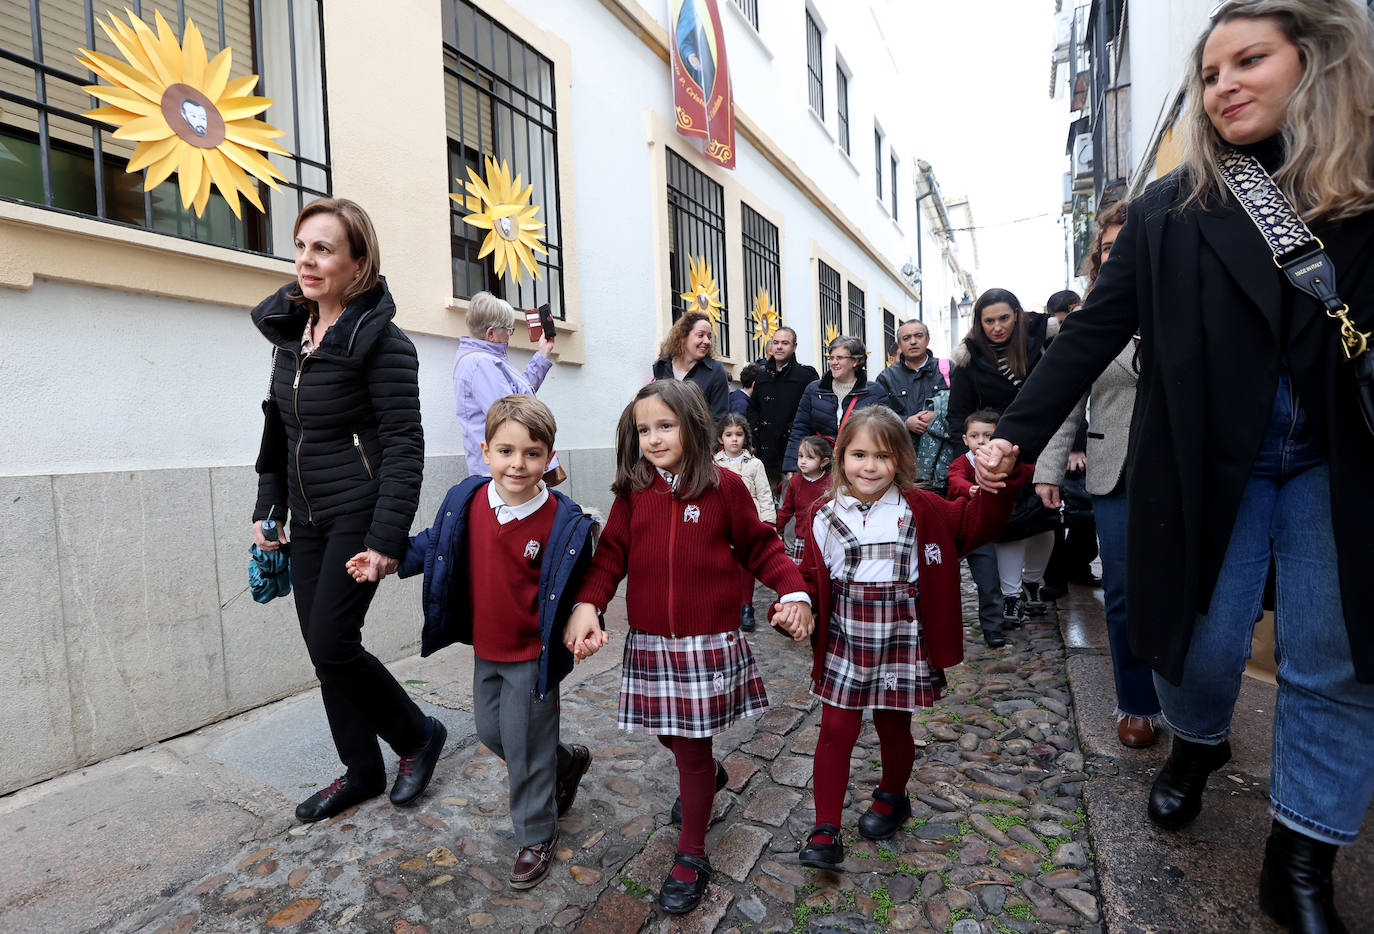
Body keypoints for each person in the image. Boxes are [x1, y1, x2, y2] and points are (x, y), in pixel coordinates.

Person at [978, 3, 1374, 929]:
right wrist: (1017, 432)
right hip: (1208, 466)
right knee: (1199, 641)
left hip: (1337, 460)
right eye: (1209, 71)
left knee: (1335, 658)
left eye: (1250, 60)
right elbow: (1086, 340)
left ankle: (1301, 858)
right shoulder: (1171, 208)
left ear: (1311, 61)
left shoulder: (1359, 192)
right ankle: (1196, 742)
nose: (1223, 84)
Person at [566, 380, 814, 915]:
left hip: (706, 641)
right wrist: (590, 604)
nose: (653, 438)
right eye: (643, 429)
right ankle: (707, 777)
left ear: (693, 425)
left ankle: (692, 853)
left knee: (692, 749)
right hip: (652, 641)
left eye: (665, 425)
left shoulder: (723, 487)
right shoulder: (633, 493)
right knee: (667, 733)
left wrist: (794, 591)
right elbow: (609, 556)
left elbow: (762, 546)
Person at [251, 198, 444, 823]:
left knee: (334, 640)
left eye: (324, 249)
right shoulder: (291, 332)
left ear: (357, 262)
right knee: (324, 646)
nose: (307, 260)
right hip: (305, 515)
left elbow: (405, 447)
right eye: (302, 245)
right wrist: (268, 505)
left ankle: (416, 736)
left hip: (358, 513)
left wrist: (388, 539)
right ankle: (361, 769)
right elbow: (279, 427)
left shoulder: (384, 344)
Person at [367, 395, 598, 888]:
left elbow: (582, 583)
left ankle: (535, 834)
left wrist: (586, 615)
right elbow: (435, 543)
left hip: (534, 654)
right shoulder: (468, 501)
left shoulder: (564, 520)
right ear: (486, 450)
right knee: (495, 734)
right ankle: (564, 761)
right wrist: (389, 560)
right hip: (486, 646)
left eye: (532, 453)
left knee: (525, 744)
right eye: (507, 451)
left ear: (549, 457)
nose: (518, 463)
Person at [795, 407, 1027, 871]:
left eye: (882, 456)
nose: (869, 466)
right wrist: (794, 607)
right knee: (835, 731)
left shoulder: (923, 510)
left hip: (901, 637)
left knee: (892, 726)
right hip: (846, 636)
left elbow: (981, 521)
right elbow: (805, 579)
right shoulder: (821, 515)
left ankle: (893, 795)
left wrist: (1001, 483)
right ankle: (825, 827)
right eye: (858, 454)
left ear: (900, 460)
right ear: (840, 458)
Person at [1034, 199, 1160, 748]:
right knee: (1125, 589)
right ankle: (1136, 702)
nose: (1117, 255)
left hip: (1179, 467)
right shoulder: (1085, 324)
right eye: (1108, 248)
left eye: (1127, 244)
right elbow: (1066, 400)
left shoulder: (1182, 304)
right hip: (1115, 472)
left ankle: (1192, 699)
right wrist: (1049, 467)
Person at [948, 289, 1058, 626]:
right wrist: (968, 460)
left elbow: (1065, 394)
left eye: (1004, 318)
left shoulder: (1043, 340)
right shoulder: (970, 358)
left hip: (1044, 444)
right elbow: (958, 414)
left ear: (1017, 314)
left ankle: (1033, 583)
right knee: (1008, 528)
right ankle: (1011, 596)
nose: (997, 327)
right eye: (989, 320)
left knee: (1043, 521)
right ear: (979, 323)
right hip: (997, 454)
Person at [453, 291, 557, 478]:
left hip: (505, 467)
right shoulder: (481, 363)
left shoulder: (486, 359)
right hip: (502, 473)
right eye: (508, 330)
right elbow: (510, 414)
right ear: (491, 333)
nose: (510, 335)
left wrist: (543, 354)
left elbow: (518, 399)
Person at [947, 411, 1015, 649]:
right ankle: (944, 626)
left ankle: (993, 628)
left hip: (982, 535)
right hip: (955, 531)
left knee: (989, 582)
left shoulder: (1000, 464)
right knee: (945, 581)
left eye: (988, 435)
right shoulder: (961, 462)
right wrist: (971, 489)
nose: (981, 441)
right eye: (975, 435)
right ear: (965, 439)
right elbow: (954, 479)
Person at [782, 335, 891, 474]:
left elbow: (885, 434)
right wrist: (791, 467)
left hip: (859, 468)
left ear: (855, 361)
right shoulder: (814, 390)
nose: (833, 362)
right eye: (831, 358)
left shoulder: (875, 392)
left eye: (839, 358)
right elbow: (799, 429)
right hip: (819, 469)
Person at [714, 413, 777, 632]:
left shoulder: (755, 464)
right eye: (729, 435)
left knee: (745, 565)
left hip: (748, 519)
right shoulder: (713, 462)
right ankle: (724, 604)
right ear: (721, 438)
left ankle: (746, 606)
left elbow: (765, 494)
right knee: (722, 563)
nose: (734, 439)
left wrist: (768, 522)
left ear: (745, 437)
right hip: (720, 521)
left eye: (738, 434)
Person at [876, 319, 956, 491]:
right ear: (899, 344)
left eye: (918, 336)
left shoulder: (947, 369)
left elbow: (965, 407)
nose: (913, 341)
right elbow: (878, 415)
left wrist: (939, 415)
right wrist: (905, 422)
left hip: (944, 459)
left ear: (927, 339)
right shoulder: (887, 377)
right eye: (906, 338)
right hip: (903, 456)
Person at [748, 328, 820, 491]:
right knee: (764, 505)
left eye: (785, 343)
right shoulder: (761, 377)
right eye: (776, 343)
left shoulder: (806, 376)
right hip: (765, 453)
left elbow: (814, 411)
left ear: (794, 347)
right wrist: (756, 428)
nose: (779, 347)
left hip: (793, 453)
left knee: (790, 507)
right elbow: (753, 408)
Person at [651, 311, 730, 422]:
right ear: (683, 336)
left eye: (709, 336)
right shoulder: (662, 366)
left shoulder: (716, 371)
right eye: (700, 335)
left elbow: (719, 420)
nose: (707, 341)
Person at [775, 435, 833, 565]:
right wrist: (775, 527)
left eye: (810, 457)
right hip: (802, 539)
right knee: (802, 577)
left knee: (824, 575)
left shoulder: (831, 482)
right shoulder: (795, 482)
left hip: (826, 539)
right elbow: (787, 510)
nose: (803, 461)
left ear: (823, 462)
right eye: (800, 456)